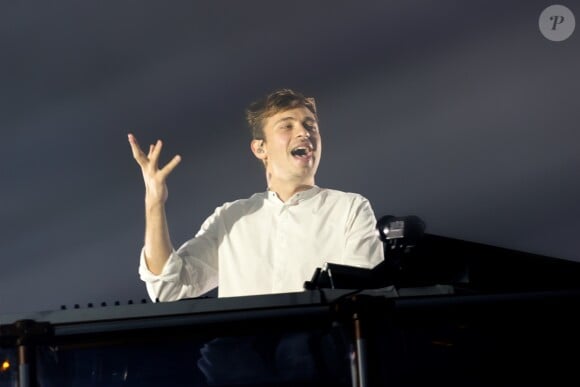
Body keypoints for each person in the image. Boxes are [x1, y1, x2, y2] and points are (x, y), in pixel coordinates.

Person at [128, 88, 384, 302]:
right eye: (287, 126)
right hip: (247, 359)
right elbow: (168, 287)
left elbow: (363, 296)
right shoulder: (231, 218)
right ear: (260, 148)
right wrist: (154, 203)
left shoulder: (349, 209)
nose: (304, 133)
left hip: (318, 358)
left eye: (310, 126)